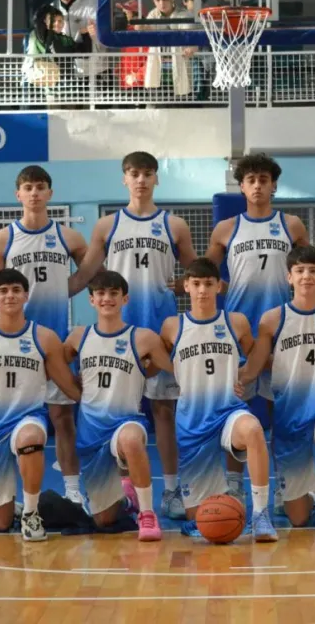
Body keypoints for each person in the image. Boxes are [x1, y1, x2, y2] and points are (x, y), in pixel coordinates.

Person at [68, 151, 198, 520]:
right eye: (134, 173)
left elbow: (196, 272)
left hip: (157, 329)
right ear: (124, 179)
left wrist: (185, 285)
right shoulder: (106, 225)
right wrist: (41, 297)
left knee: (163, 412)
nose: (140, 180)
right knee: (119, 414)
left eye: (147, 174)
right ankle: (124, 490)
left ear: (156, 178)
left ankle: (170, 490)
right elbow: (86, 276)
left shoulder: (175, 225)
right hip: (115, 333)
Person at [0, 165, 89, 526]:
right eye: (28, 188)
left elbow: (91, 272)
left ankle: (73, 491)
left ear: (50, 193)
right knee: (0, 418)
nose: (34, 193)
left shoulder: (69, 237)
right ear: (18, 195)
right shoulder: (4, 238)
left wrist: (64, 289)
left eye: (40, 187)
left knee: (62, 418)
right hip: (9, 345)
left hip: (53, 339)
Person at [205, 153, 311, 514]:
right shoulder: (226, 228)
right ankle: (234, 485)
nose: (258, 186)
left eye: (264, 180)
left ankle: (284, 484)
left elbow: (306, 269)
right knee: (235, 407)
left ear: (274, 185)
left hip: (282, 328)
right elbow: (207, 273)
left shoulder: (291, 225)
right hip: (238, 329)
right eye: (251, 180)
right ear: (241, 186)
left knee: (281, 411)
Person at [236, 246, 315, 538]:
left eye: (313, 271)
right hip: (289, 418)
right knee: (298, 519)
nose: (307, 276)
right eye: (300, 270)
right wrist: (234, 379)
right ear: (289, 277)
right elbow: (255, 366)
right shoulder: (272, 319)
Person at [0, 269, 82, 541]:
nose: (9, 295)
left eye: (15, 290)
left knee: (30, 438)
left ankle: (31, 514)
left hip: (28, 418)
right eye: (3, 291)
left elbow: (69, 386)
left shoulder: (44, 337)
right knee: (0, 523)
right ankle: (6, 504)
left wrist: (102, 400)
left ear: (25, 296)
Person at [160, 258, 278, 542]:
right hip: (192, 422)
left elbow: (256, 356)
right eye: (196, 284)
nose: (202, 290)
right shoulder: (172, 326)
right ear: (186, 286)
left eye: (208, 284)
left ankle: (260, 514)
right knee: (202, 519)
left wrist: (244, 376)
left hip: (228, 411)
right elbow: (158, 361)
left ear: (219, 287)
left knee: (253, 429)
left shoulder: (235, 322)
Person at [65, 270, 176, 540]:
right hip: (92, 433)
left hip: (126, 421)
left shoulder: (143, 338)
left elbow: (176, 368)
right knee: (104, 520)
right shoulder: (78, 337)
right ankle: (128, 499)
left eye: (114, 293)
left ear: (125, 299)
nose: (107, 299)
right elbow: (54, 364)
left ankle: (147, 514)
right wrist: (75, 389)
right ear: (91, 300)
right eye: (101, 293)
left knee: (131, 439)